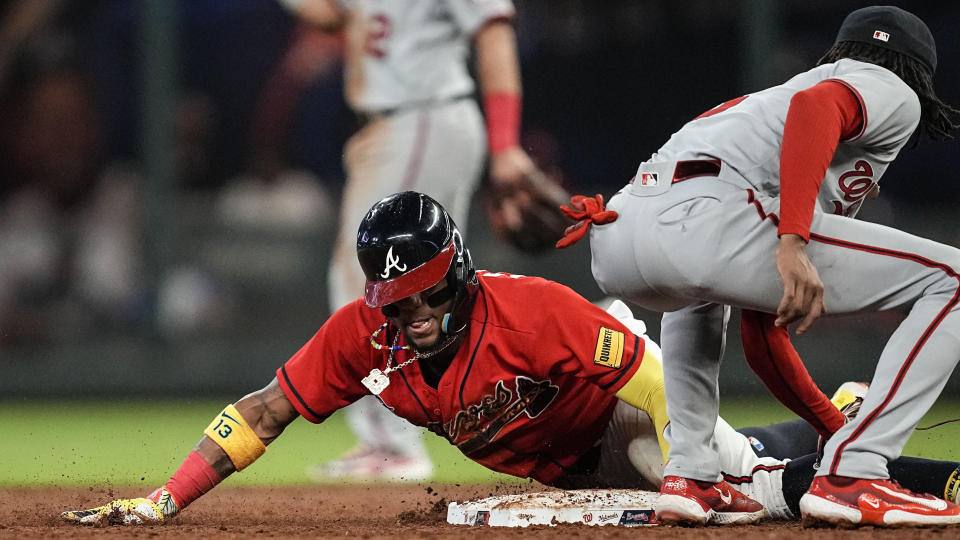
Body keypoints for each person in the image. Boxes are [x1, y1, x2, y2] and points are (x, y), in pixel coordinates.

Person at [60, 191, 960, 526]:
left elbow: (651, 381)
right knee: (730, 468)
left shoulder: (528, 310)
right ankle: (826, 428)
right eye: (391, 301)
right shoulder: (363, 333)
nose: (403, 317)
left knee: (740, 491)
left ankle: (931, 474)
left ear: (454, 277)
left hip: (625, 399)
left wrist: (695, 465)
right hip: (568, 463)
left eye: (418, 298)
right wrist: (163, 499)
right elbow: (265, 409)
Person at [559, 5, 960, 527]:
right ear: (918, 72)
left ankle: (692, 475)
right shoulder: (884, 85)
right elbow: (819, 108)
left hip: (624, 228)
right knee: (952, 278)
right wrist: (793, 240)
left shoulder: (770, 114)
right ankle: (857, 473)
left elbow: (763, 335)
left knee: (697, 296)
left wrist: (827, 423)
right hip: (703, 216)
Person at [276, 0, 549, 481]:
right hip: (394, 127)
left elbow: (494, 30)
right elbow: (334, 14)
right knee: (436, 285)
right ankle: (513, 399)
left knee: (374, 279)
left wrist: (506, 144)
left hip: (422, 118)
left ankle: (392, 443)